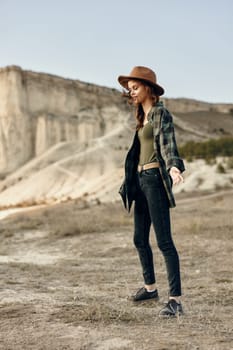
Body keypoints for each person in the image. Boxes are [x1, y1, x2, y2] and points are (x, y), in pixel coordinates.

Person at [118, 66, 185, 317]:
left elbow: (168, 144)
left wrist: (174, 167)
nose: (131, 92)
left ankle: (175, 300)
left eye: (135, 88)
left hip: (155, 179)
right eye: (129, 89)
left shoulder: (160, 113)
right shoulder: (141, 118)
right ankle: (150, 288)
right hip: (140, 180)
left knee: (164, 241)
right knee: (139, 239)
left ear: (149, 88)